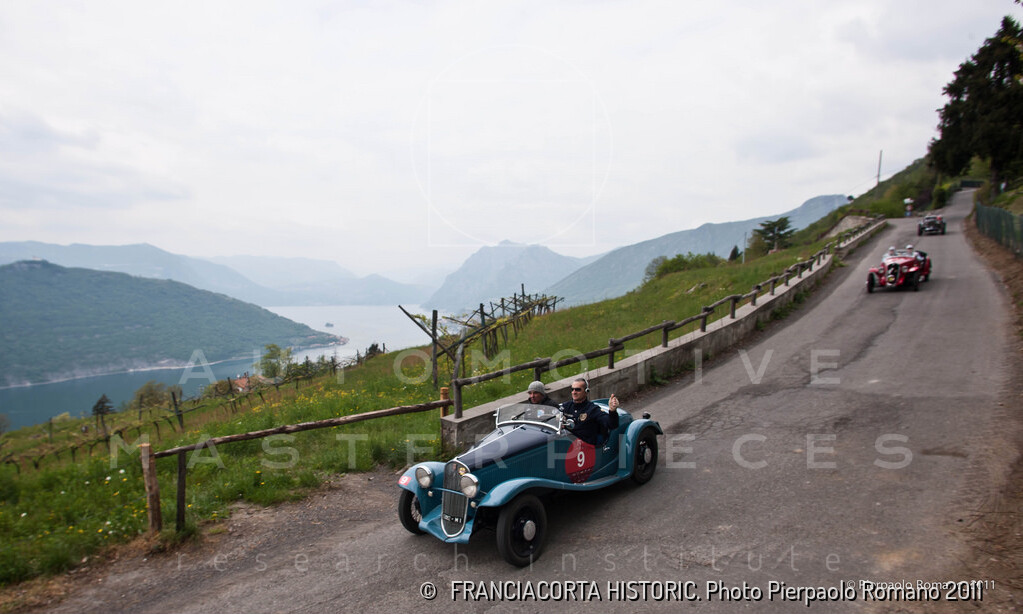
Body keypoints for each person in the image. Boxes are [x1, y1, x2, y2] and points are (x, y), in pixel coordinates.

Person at [558, 378, 619, 445]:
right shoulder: (566, 406)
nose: (574, 392)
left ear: (586, 391)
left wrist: (612, 411)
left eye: (578, 389)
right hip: (567, 442)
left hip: (586, 446)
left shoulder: (592, 410)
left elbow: (612, 424)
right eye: (572, 389)